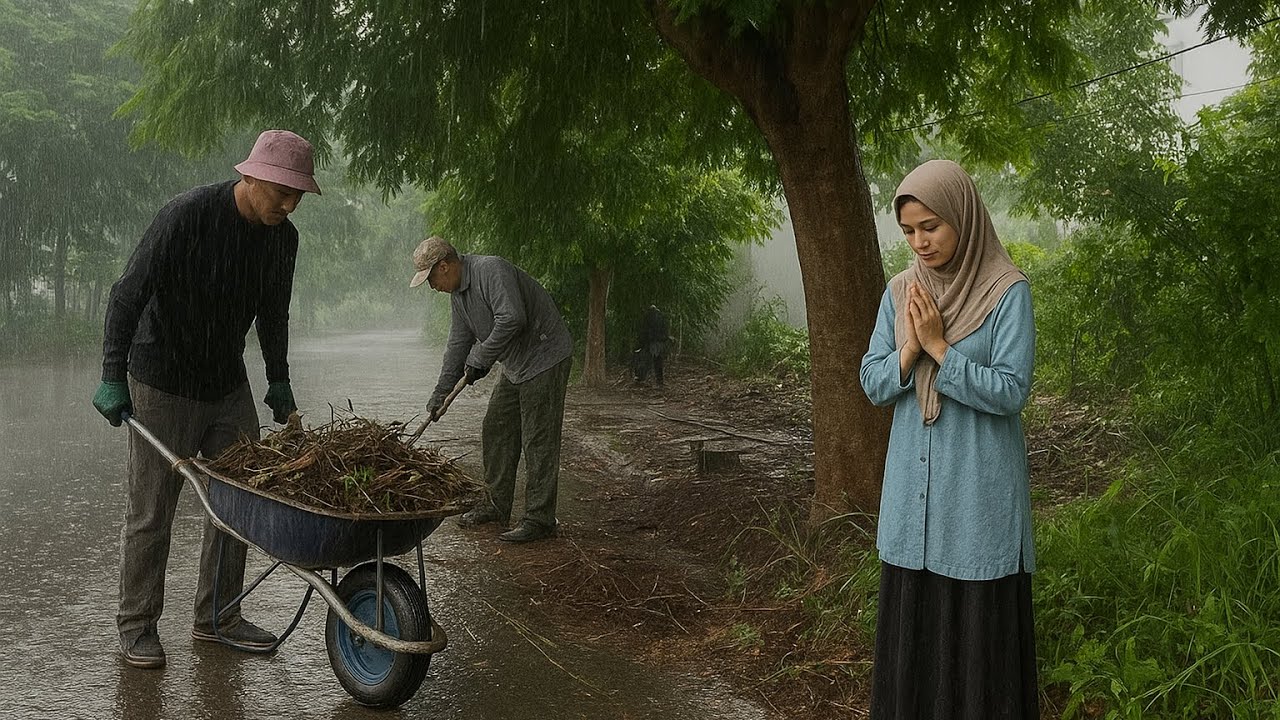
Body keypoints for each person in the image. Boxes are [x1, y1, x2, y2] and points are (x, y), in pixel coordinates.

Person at [91, 129, 321, 669]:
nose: (289, 205)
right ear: (251, 176)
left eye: (298, 196)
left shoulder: (283, 240)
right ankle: (137, 624)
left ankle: (219, 615)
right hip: (162, 380)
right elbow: (127, 293)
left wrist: (279, 380)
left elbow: (274, 314)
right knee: (152, 511)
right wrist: (112, 374)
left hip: (226, 383)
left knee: (238, 502)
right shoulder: (188, 215)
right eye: (282, 192)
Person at [859, 159, 1038, 719]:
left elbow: (1011, 390)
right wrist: (909, 350)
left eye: (931, 226)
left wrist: (939, 349)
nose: (920, 242)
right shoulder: (901, 291)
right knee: (916, 647)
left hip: (977, 501)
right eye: (909, 231)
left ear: (963, 216)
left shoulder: (1006, 292)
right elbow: (873, 381)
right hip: (913, 506)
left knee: (977, 646)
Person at [410, 235, 573, 543]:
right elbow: (458, 345)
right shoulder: (459, 297)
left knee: (537, 438)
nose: (432, 287)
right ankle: (496, 505)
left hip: (545, 355)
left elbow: (512, 317)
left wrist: (481, 358)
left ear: (444, 266)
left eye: (430, 279)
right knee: (496, 427)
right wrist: (440, 393)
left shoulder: (490, 270)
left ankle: (539, 519)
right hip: (515, 364)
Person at [632, 304, 669, 387]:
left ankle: (641, 378)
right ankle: (659, 381)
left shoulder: (647, 316)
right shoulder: (661, 316)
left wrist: (640, 343)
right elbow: (665, 331)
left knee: (645, 360)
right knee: (658, 362)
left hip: (650, 342)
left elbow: (644, 331)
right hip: (659, 343)